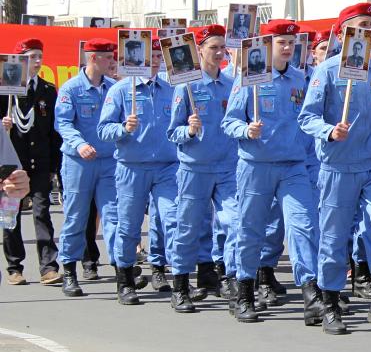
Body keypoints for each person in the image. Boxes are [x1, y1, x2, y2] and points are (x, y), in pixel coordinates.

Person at [299, 2, 371, 333]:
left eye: (369, 26)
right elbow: (307, 117)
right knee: (333, 240)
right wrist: (329, 131)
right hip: (338, 166)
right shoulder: (327, 71)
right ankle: (331, 303)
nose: (365, 31)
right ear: (344, 31)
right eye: (359, 24)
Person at [222, 20, 320, 323]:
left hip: (293, 166)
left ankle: (311, 293)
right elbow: (229, 122)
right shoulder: (249, 78)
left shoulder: (299, 79)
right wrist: (245, 129)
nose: (288, 48)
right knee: (251, 229)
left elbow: (307, 120)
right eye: (282, 43)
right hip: (256, 166)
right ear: (268, 45)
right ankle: (245, 292)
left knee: (303, 225)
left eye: (292, 42)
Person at [98, 39, 178, 304]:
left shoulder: (171, 89)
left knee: (172, 219)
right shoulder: (121, 91)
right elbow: (104, 129)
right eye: (150, 55)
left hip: (167, 167)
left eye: (158, 56)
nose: (155, 60)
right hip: (132, 167)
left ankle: (172, 276)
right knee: (129, 225)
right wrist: (123, 128)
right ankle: (125, 280)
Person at [166, 24, 238, 313]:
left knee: (235, 222)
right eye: (213, 48)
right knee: (188, 227)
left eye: (222, 47)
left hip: (227, 168)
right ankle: (181, 284)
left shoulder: (232, 85)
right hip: (194, 169)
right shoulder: (187, 86)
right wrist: (189, 131)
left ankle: (233, 278)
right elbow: (172, 132)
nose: (219, 53)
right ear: (199, 51)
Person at [55, 39, 131, 297]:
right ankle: (68, 271)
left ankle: (123, 272)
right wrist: (79, 144)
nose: (112, 63)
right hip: (79, 162)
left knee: (113, 216)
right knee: (76, 217)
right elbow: (63, 124)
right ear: (93, 58)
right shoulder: (71, 89)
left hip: (109, 162)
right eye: (107, 58)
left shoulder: (114, 88)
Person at [0, 39, 62, 286]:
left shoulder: (47, 90)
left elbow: (53, 134)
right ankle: (15, 266)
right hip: (12, 164)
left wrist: (54, 167)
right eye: (32, 57)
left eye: (39, 56)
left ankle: (48, 266)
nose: (37, 61)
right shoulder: (4, 90)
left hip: (40, 163)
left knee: (42, 212)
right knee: (10, 213)